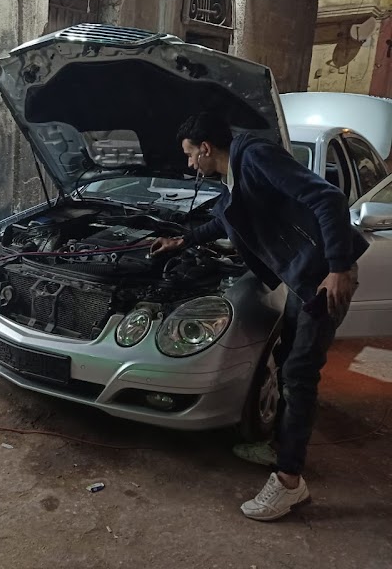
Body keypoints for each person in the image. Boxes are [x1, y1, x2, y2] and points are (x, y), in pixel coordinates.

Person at [151, 112, 366, 522]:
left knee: (300, 375)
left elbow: (329, 199)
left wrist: (338, 267)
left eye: (190, 155)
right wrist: (182, 240)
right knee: (287, 360)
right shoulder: (235, 176)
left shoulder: (254, 156)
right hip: (303, 278)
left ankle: (289, 482)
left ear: (206, 148)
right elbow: (225, 219)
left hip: (323, 280)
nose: (189, 164)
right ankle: (280, 446)